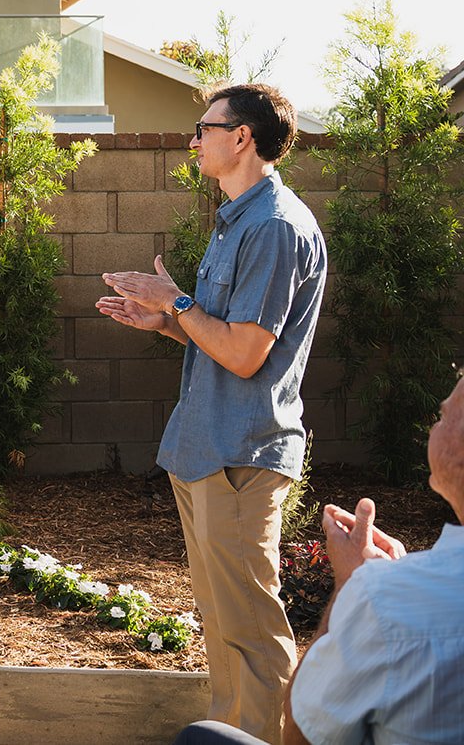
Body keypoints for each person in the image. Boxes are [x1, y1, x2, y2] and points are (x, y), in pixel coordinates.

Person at [99, 84, 326, 744]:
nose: (193, 140)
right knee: (225, 630)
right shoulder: (238, 220)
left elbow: (249, 354)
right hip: (203, 449)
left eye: (203, 127)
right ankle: (233, 735)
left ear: (242, 137)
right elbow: (219, 339)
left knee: (252, 634)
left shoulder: (275, 226)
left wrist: (176, 302)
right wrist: (164, 321)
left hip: (241, 453)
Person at [173, 375, 464, 745]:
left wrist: (351, 585)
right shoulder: (396, 594)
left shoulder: (385, 599)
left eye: (442, 418)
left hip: (240, 455)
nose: (432, 426)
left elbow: (304, 734)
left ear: (457, 452)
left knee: (199, 738)